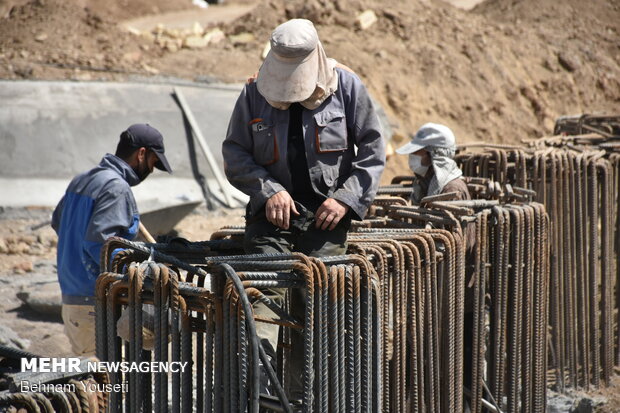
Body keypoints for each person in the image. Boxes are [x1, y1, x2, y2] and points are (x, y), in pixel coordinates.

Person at [222, 18, 385, 400]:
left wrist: (345, 198)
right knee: (262, 305)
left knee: (316, 316)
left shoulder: (346, 87)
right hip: (271, 221)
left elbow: (373, 152)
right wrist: (268, 190)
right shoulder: (253, 93)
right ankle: (259, 400)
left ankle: (302, 401)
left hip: (326, 223)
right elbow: (235, 153)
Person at [52, 123, 172, 356]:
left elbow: (59, 222)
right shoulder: (116, 187)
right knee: (102, 385)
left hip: (73, 297)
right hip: (93, 303)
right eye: (153, 163)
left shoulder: (83, 179)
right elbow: (101, 246)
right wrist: (138, 273)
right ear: (141, 153)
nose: (152, 170)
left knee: (91, 381)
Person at [396, 122, 470, 203]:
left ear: (434, 155)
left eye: (417, 151)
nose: (411, 155)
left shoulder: (452, 190)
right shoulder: (424, 182)